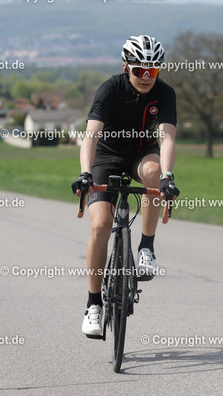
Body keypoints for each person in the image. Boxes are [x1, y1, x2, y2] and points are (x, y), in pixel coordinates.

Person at [71, 35, 179, 337]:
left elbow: (167, 137)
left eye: (152, 70)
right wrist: (85, 173)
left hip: (141, 154)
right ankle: (93, 304)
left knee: (154, 173)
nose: (146, 76)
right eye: (139, 70)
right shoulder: (109, 89)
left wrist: (168, 175)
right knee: (100, 226)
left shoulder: (165, 93)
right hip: (106, 157)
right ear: (125, 67)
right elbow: (91, 136)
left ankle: (146, 248)